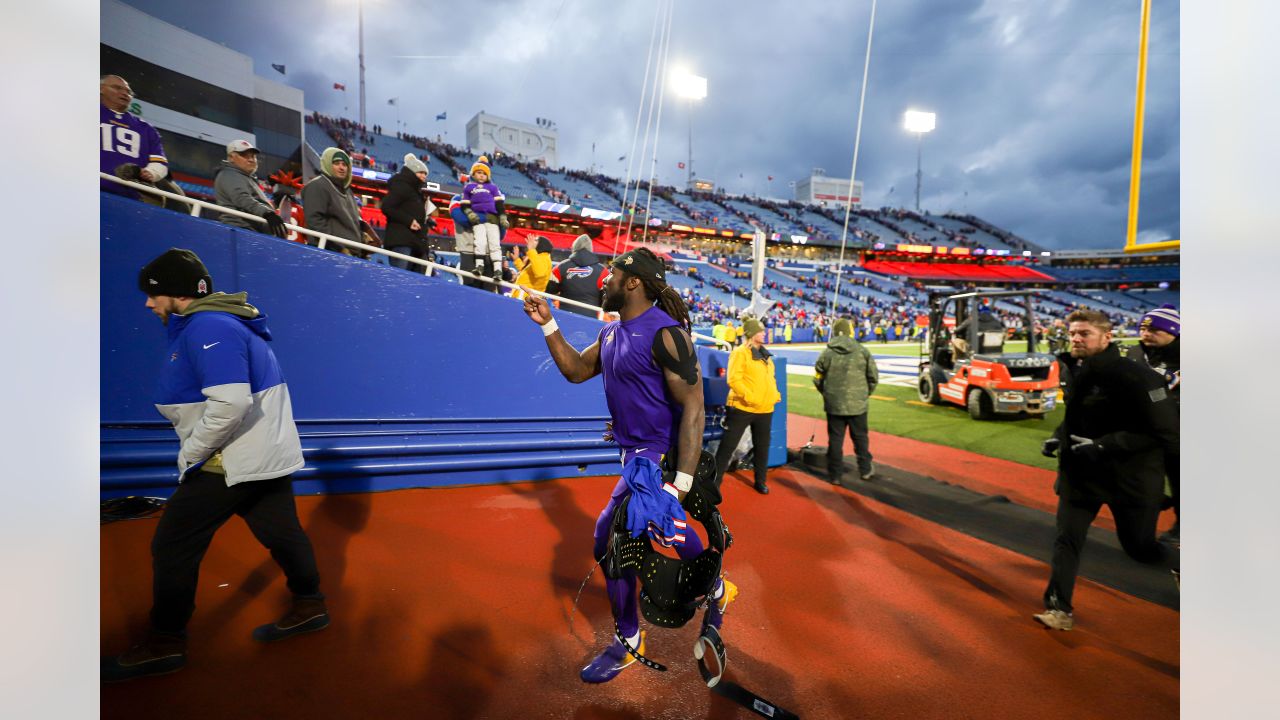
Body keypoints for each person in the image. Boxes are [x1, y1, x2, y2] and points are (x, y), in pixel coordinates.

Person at [103, 249, 328, 682]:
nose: (148, 303)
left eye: (153, 294)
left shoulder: (208, 325)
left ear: (176, 293)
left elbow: (231, 401)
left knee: (172, 545)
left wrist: (193, 453)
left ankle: (164, 643)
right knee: (281, 534)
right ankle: (310, 604)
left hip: (228, 461)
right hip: (259, 456)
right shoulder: (222, 321)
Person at [520, 246, 736, 683]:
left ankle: (629, 641)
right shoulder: (611, 334)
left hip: (657, 461)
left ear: (633, 282)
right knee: (666, 533)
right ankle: (717, 587)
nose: (604, 281)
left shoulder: (667, 334)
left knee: (609, 538)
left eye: (612, 274)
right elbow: (577, 372)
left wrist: (679, 484)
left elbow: (694, 408)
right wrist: (548, 325)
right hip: (633, 456)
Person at [1033, 309, 1179, 631]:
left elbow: (1165, 431)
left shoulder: (1139, 376)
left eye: (1084, 333)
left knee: (1140, 549)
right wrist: (1057, 438)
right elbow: (1077, 417)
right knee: (1066, 539)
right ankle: (1059, 609)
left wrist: (1105, 445)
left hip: (1129, 478)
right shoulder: (1072, 369)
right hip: (1081, 476)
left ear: (1107, 337)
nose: (1075, 339)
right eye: (1073, 333)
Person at [1125, 304, 1181, 546]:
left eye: (1155, 329)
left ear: (1174, 333)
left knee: (1181, 481)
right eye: (1143, 328)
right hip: (1143, 431)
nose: (1146, 333)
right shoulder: (1134, 354)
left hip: (1179, 433)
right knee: (1138, 479)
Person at [713, 318, 782, 494]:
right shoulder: (740, 353)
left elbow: (771, 379)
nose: (764, 333)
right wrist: (750, 397)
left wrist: (775, 395)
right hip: (742, 407)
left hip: (765, 409)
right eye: (761, 331)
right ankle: (713, 485)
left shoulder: (766, 355)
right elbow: (733, 380)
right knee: (727, 447)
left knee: (762, 446)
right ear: (751, 334)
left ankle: (761, 481)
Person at [814, 318, 879, 485]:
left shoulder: (827, 353)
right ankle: (865, 469)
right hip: (858, 404)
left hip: (834, 405)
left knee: (835, 440)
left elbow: (817, 378)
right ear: (851, 331)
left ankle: (835, 475)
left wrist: (828, 393)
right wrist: (863, 394)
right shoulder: (862, 351)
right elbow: (873, 377)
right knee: (860, 438)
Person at [100, 74, 170, 201]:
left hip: (129, 198)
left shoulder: (146, 128)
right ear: (101, 89)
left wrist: (151, 173)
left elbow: (160, 162)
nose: (125, 93)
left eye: (129, 92)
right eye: (117, 88)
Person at [301, 147, 379, 257]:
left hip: (351, 254)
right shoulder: (317, 186)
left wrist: (363, 241)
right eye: (337, 163)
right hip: (329, 253)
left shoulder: (348, 191)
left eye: (344, 164)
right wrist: (338, 248)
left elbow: (351, 223)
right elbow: (315, 221)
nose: (341, 168)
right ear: (327, 163)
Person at [213, 139, 288, 238]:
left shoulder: (243, 177)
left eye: (253, 156)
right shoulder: (230, 174)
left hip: (249, 233)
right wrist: (268, 213)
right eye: (244, 155)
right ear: (231, 157)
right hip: (239, 233)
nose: (251, 159)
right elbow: (242, 198)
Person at [380, 153, 436, 272]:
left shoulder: (415, 191)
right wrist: (409, 221)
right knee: (399, 280)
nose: (424, 176)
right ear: (411, 172)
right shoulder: (402, 186)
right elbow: (387, 207)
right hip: (401, 242)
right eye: (420, 172)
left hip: (414, 243)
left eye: (425, 174)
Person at [460, 156, 507, 286]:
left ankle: (498, 270)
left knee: (494, 244)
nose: (481, 175)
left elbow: (499, 204)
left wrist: (502, 216)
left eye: (484, 173)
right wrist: (469, 213)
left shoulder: (493, 188)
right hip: (478, 219)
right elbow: (464, 204)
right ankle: (479, 266)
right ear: (473, 174)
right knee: (479, 242)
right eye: (479, 172)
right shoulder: (469, 187)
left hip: (492, 220)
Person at [546, 234, 606, 317]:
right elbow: (606, 299)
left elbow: (549, 291)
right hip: (590, 318)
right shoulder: (603, 271)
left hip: (563, 314)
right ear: (591, 249)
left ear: (574, 247)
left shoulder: (560, 267)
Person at [511, 235, 553, 299]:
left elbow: (539, 273)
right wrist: (517, 260)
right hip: (523, 296)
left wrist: (531, 250)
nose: (532, 241)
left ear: (542, 244)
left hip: (527, 298)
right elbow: (527, 272)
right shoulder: (538, 257)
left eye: (536, 240)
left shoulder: (544, 257)